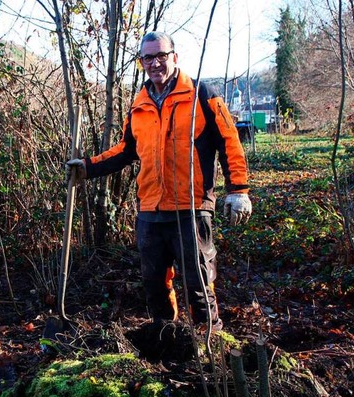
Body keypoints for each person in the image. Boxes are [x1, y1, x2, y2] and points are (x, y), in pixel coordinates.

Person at [66, 31, 252, 333]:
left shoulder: (201, 95)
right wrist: (87, 167)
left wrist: (239, 190)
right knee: (154, 284)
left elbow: (230, 141)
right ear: (142, 63)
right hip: (151, 209)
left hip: (191, 207)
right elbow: (126, 150)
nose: (154, 63)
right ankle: (168, 337)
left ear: (174, 57)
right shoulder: (139, 104)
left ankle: (209, 343)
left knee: (199, 282)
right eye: (148, 58)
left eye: (160, 56)